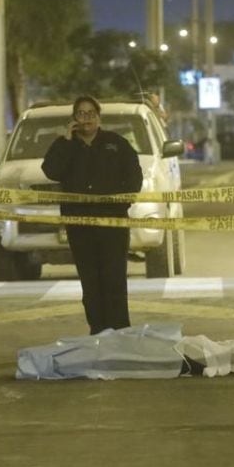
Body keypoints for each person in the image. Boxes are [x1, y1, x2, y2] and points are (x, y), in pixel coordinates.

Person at [41, 95, 142, 334]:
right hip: (79, 225)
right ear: (73, 118)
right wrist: (66, 141)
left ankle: (120, 330)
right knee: (90, 280)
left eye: (91, 113)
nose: (86, 118)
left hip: (112, 223)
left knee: (114, 279)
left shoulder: (116, 144)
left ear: (99, 117)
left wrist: (122, 204)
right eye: (81, 113)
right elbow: (51, 171)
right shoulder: (64, 145)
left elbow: (134, 176)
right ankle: (97, 330)